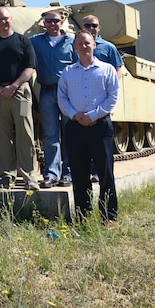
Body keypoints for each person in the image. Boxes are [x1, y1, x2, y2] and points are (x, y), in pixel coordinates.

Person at [57, 31, 120, 225]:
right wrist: (76, 115)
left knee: (105, 173)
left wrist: (92, 116)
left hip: (100, 127)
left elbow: (113, 97)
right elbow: (62, 98)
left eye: (87, 43)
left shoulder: (107, 69)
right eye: (80, 44)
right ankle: (83, 215)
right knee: (79, 173)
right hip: (75, 127)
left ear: (94, 45)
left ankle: (108, 217)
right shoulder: (68, 73)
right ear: (75, 47)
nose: (84, 46)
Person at [0, 7, 40, 190]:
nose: (2, 22)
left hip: (20, 90)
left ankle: (30, 177)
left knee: (25, 134)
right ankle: (7, 175)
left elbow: (30, 67)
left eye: (5, 19)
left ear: (11, 19)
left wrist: (13, 86)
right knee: (1, 135)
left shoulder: (23, 41)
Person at [30, 9, 77, 188]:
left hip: (68, 91)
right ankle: (51, 174)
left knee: (69, 133)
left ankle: (69, 173)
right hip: (47, 91)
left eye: (55, 21)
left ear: (62, 21)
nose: (52, 24)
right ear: (43, 23)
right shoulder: (36, 41)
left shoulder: (71, 41)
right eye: (48, 21)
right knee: (50, 135)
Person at [81, 14, 124, 183]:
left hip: (101, 96)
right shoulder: (78, 45)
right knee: (84, 137)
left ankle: (99, 172)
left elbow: (118, 68)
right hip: (82, 96)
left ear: (99, 27)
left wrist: (111, 86)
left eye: (94, 25)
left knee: (101, 138)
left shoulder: (108, 47)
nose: (91, 28)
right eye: (87, 25)